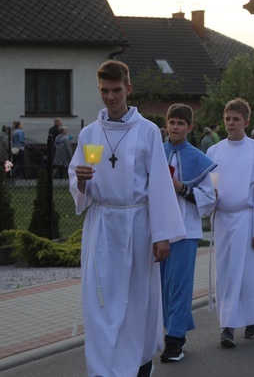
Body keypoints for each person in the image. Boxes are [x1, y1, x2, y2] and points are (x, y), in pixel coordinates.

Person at [69, 60, 186, 377]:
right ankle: (103, 369)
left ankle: (139, 365)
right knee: (100, 301)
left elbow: (160, 183)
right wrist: (81, 180)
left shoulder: (146, 131)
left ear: (128, 89)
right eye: (104, 91)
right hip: (103, 225)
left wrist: (162, 235)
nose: (110, 97)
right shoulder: (91, 134)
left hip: (137, 225)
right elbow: (85, 186)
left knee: (137, 302)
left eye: (116, 90)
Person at [161, 103, 217, 362]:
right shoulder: (155, 152)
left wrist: (181, 187)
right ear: (166, 124)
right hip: (158, 230)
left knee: (180, 286)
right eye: (172, 122)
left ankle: (175, 339)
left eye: (181, 123)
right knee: (161, 286)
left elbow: (208, 199)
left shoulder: (197, 158)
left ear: (190, 127)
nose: (175, 127)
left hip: (184, 230)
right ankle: (170, 328)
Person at [206, 98, 254, 348]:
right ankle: (226, 326)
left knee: (250, 273)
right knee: (226, 273)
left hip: (247, 217)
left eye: (236, 119)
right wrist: (211, 198)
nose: (230, 123)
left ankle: (250, 319)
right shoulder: (214, 151)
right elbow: (207, 185)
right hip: (223, 219)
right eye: (227, 118)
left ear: (246, 121)